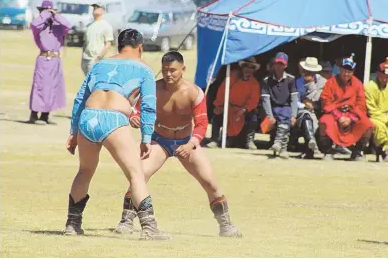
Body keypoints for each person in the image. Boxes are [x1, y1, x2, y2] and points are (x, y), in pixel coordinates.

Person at [114, 51, 242, 238]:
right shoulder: (153, 89)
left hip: (186, 141)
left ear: (183, 69)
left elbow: (201, 124)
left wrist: (191, 144)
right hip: (159, 141)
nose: (168, 74)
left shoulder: (194, 92)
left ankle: (226, 225)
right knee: (139, 176)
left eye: (172, 70)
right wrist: (134, 118)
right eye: (164, 70)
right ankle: (126, 221)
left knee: (210, 182)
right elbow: (136, 110)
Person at [64, 29, 170, 241]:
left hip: (88, 117)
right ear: (140, 47)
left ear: (118, 46)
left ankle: (72, 225)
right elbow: (149, 107)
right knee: (136, 174)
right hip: (113, 119)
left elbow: (79, 100)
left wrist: (74, 132)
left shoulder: (100, 65)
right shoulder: (144, 69)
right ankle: (149, 228)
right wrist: (146, 138)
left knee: (84, 171)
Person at [319, 53, 374, 161]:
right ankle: (328, 150)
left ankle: (358, 151)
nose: (346, 74)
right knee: (324, 121)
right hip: (334, 114)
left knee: (368, 125)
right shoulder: (331, 82)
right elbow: (325, 102)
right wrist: (339, 116)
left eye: (349, 71)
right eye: (344, 70)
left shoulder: (358, 84)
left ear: (353, 72)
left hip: (352, 115)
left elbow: (361, 105)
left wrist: (350, 118)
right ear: (340, 69)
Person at [27, 0, 72, 124]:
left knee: (53, 88)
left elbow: (69, 25)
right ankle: (34, 115)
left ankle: (45, 116)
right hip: (43, 58)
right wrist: (45, 15)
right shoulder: (39, 28)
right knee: (39, 87)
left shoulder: (59, 27)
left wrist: (55, 15)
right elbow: (34, 24)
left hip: (55, 59)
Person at [207, 57, 261, 150]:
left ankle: (250, 141)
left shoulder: (254, 83)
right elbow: (222, 91)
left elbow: (254, 100)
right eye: (246, 66)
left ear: (253, 70)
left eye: (251, 67)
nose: (248, 69)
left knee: (253, 117)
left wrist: (244, 109)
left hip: (243, 110)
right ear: (242, 67)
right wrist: (219, 105)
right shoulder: (232, 76)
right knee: (217, 113)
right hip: (228, 107)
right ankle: (214, 140)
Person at [261, 52, 298, 158]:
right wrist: (270, 116)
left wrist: (294, 115)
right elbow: (265, 99)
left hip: (286, 107)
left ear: (286, 65)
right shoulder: (266, 80)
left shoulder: (291, 79)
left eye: (282, 64)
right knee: (282, 115)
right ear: (274, 64)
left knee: (285, 114)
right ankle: (283, 148)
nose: (279, 66)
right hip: (273, 108)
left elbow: (294, 99)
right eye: (277, 63)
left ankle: (278, 143)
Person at [294, 57, 325, 157]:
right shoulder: (298, 82)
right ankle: (312, 144)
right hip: (303, 110)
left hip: (319, 111)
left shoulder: (323, 82)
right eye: (307, 70)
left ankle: (311, 147)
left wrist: (310, 83)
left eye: (311, 71)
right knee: (306, 115)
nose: (308, 72)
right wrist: (305, 104)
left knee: (312, 116)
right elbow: (296, 100)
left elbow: (316, 98)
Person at [81, 3, 114, 75]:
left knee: (93, 83)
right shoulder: (88, 26)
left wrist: (98, 57)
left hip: (95, 59)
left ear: (103, 11)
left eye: (97, 7)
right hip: (85, 58)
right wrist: (82, 57)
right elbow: (85, 43)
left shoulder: (106, 26)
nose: (95, 9)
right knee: (87, 83)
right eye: (94, 7)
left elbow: (108, 44)